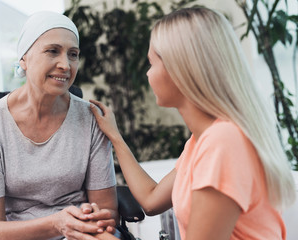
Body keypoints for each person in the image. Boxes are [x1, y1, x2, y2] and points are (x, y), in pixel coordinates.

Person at [90, 7, 297, 240]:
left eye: (152, 63)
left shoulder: (224, 142)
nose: (148, 74)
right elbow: (150, 200)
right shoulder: (202, 141)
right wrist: (115, 137)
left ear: (179, 69)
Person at [0, 11, 120, 240]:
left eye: (73, 54)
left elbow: (108, 213)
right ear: (24, 59)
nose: (65, 65)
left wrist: (86, 220)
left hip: (80, 233)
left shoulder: (90, 119)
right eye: (52, 51)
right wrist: (57, 224)